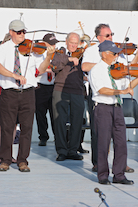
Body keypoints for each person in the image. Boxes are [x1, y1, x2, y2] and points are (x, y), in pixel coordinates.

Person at [82, 23, 138, 173]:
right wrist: (122, 91)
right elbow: (102, 90)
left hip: (117, 107)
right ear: (105, 53)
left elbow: (128, 84)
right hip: (103, 107)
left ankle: (119, 173)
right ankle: (103, 173)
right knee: (103, 141)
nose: (117, 55)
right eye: (114, 53)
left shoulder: (115, 69)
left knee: (121, 142)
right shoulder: (97, 70)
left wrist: (137, 76)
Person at [0, 19, 55, 172]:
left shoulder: (32, 49)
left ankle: (22, 160)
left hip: (28, 92)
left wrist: (48, 57)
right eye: (19, 32)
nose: (22, 34)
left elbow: (42, 69)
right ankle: (5, 159)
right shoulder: (3, 48)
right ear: (11, 32)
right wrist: (14, 75)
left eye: (24, 31)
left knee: (27, 128)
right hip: (9, 92)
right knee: (7, 127)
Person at [51, 32, 84, 161]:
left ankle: (73, 150)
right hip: (60, 90)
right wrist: (68, 59)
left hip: (78, 91)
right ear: (66, 41)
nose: (74, 45)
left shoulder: (83, 54)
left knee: (77, 121)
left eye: (76, 43)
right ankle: (62, 151)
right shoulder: (59, 54)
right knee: (59, 121)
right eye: (71, 42)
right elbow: (55, 67)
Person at [35, 33, 58, 146]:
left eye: (54, 44)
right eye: (51, 44)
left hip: (53, 86)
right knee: (40, 114)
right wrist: (49, 69)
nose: (53, 46)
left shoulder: (57, 54)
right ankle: (43, 137)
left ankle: (57, 136)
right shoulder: (38, 54)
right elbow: (37, 71)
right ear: (45, 44)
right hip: (41, 86)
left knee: (55, 114)